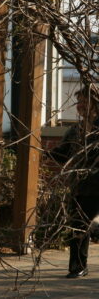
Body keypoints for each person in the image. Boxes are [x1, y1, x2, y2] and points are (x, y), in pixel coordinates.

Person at [49, 85, 99, 278]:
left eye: (85, 102)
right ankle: (77, 266)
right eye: (79, 102)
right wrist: (45, 153)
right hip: (82, 186)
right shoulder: (75, 130)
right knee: (78, 225)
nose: (80, 106)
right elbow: (64, 154)